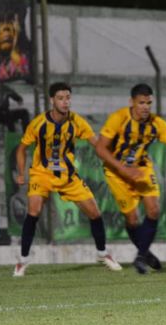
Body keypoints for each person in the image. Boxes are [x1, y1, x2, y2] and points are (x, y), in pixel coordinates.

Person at [13, 82, 122, 277]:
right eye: (61, 98)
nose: (65, 102)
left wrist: (112, 161)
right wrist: (21, 173)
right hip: (42, 173)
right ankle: (22, 260)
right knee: (33, 211)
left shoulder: (77, 122)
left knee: (95, 213)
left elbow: (96, 144)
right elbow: (21, 149)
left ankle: (102, 253)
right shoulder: (38, 123)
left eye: (68, 98)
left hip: (68, 177)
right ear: (52, 100)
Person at [95, 83, 166, 274]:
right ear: (132, 102)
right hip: (116, 173)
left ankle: (141, 256)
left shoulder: (156, 123)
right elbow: (100, 148)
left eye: (149, 103)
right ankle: (145, 252)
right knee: (132, 219)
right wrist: (123, 170)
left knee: (153, 210)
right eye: (141, 103)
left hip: (142, 169)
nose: (145, 107)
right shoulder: (118, 118)